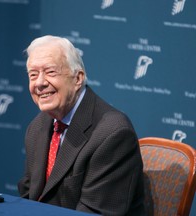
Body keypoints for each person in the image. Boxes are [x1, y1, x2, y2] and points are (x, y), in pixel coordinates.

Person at [18, 35, 146, 215]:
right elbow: (28, 196)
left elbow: (95, 212)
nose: (39, 83)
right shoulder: (38, 126)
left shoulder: (112, 133)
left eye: (50, 72)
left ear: (78, 78)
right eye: (33, 75)